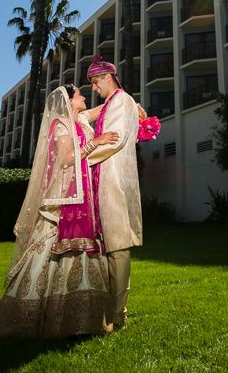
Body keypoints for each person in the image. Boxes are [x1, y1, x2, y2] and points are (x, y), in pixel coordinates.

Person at [0, 85, 120, 338]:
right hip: (66, 199)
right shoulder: (61, 124)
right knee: (51, 250)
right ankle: (33, 317)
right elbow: (67, 158)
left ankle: (84, 319)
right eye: (79, 94)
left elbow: (103, 107)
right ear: (69, 101)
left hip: (84, 196)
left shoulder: (78, 119)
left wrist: (127, 104)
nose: (84, 96)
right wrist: (97, 142)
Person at [83, 54, 142, 331]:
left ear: (108, 78)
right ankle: (108, 312)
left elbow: (114, 141)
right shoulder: (112, 102)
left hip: (114, 181)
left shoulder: (121, 101)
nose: (94, 88)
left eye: (96, 82)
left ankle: (118, 315)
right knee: (107, 250)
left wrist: (81, 159)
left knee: (118, 250)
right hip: (102, 179)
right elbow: (79, 116)